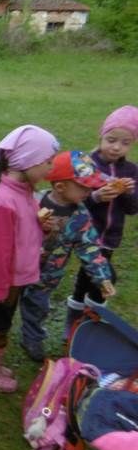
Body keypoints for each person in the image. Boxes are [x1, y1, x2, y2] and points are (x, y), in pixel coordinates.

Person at [0, 151, 116, 360]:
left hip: (46, 277)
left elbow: (90, 249)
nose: (90, 191)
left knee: (37, 307)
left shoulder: (80, 217)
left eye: (91, 186)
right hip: (15, 270)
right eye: (84, 186)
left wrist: (102, 277)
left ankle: (32, 338)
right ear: (60, 186)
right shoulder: (32, 201)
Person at [0, 125, 59, 393]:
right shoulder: (4, 202)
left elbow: (21, 229)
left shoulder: (24, 191)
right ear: (28, 161)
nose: (52, 167)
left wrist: (41, 226)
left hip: (11, 278)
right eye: (48, 161)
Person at [66, 105, 138, 332]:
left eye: (125, 143)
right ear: (101, 135)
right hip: (87, 232)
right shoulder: (87, 164)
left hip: (110, 236)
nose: (116, 147)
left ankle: (81, 322)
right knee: (105, 277)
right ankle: (85, 318)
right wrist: (96, 197)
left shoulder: (131, 171)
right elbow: (73, 201)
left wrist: (128, 193)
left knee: (87, 277)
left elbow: (132, 209)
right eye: (111, 140)